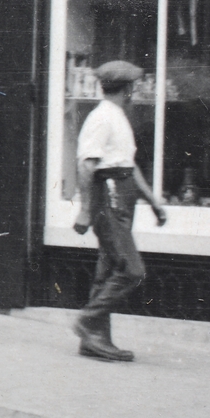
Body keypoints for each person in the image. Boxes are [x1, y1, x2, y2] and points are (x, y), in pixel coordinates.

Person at [72, 59, 166, 362]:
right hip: (109, 195)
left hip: (121, 193)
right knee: (131, 270)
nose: (134, 91)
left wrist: (152, 199)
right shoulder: (102, 118)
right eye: (133, 86)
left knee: (109, 268)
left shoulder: (117, 117)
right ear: (127, 88)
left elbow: (127, 163)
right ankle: (87, 321)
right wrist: (86, 210)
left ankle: (96, 340)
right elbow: (87, 166)